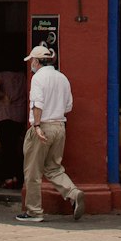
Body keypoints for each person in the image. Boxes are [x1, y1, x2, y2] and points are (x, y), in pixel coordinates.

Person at [17, 42, 85, 223]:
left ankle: (34, 211)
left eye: (32, 60)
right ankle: (73, 192)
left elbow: (37, 104)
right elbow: (68, 106)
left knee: (32, 171)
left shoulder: (38, 78)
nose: (31, 63)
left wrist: (37, 126)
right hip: (59, 127)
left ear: (37, 61)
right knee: (54, 168)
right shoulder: (62, 78)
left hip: (43, 126)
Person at [0, 57, 27, 189]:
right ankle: (19, 177)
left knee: (7, 149)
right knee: (18, 149)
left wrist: (3, 96)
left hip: (4, 115)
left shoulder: (2, 75)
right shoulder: (24, 76)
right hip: (20, 115)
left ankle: (9, 178)